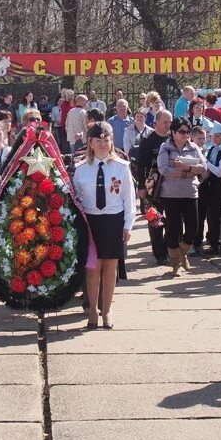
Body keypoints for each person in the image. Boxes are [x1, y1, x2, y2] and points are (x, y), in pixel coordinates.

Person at [74, 122, 134, 329]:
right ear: (90, 143)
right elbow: (76, 199)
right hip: (91, 221)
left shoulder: (121, 167)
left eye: (105, 140)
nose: (102, 144)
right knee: (92, 268)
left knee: (110, 267)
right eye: (97, 140)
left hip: (113, 220)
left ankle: (107, 310)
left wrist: (128, 225)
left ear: (111, 142)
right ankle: (92, 310)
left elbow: (128, 199)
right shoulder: (81, 169)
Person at [157, 117, 206, 277]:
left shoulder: (193, 147)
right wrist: (187, 172)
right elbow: (163, 169)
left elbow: (204, 168)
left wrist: (185, 168)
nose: (185, 135)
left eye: (187, 132)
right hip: (171, 194)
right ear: (173, 132)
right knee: (173, 228)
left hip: (190, 192)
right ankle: (175, 261)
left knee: (193, 227)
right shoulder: (166, 148)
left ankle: (183, 252)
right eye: (182, 132)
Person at [135, 110, 172, 266]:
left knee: (172, 221)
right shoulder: (148, 140)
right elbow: (141, 165)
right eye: (165, 122)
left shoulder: (173, 139)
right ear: (156, 122)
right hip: (153, 187)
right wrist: (141, 186)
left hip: (172, 185)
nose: (168, 125)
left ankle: (167, 247)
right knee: (155, 219)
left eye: (170, 122)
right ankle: (159, 254)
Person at [201, 122, 221, 257]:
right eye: (214, 136)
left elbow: (220, 172)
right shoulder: (213, 149)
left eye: (218, 136)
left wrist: (205, 162)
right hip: (212, 187)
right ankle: (214, 242)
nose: (215, 138)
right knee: (212, 215)